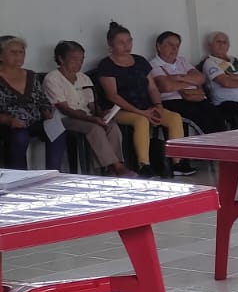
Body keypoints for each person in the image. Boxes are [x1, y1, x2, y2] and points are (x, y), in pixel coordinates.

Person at [97, 22, 192, 176]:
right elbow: (112, 95)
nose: (126, 46)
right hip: (120, 110)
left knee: (174, 118)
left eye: (129, 41)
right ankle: (144, 165)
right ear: (111, 45)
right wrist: (141, 112)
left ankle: (178, 162)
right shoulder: (106, 65)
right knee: (141, 121)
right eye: (121, 42)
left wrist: (158, 105)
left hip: (147, 107)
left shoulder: (140, 61)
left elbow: (152, 88)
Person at [44, 40, 132, 177]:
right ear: (61, 59)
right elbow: (65, 109)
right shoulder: (52, 78)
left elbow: (91, 105)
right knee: (95, 128)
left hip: (85, 116)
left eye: (81, 60)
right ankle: (116, 167)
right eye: (74, 59)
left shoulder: (84, 78)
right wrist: (92, 119)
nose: (79, 63)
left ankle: (113, 167)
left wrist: (103, 114)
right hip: (63, 119)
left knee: (111, 126)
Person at [0, 36, 66, 171]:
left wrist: (47, 110)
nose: (18, 56)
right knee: (20, 137)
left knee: (57, 131)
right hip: (9, 124)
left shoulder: (31, 75)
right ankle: (19, 177)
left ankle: (53, 173)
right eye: (13, 52)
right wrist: (8, 120)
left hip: (34, 120)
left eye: (21, 52)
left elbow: (42, 99)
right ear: (0, 56)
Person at [149, 31, 228, 133]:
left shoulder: (182, 61)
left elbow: (201, 78)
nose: (175, 49)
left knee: (217, 118)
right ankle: (210, 142)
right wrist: (191, 81)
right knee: (201, 120)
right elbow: (166, 86)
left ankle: (223, 142)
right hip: (173, 101)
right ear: (159, 46)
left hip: (196, 97)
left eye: (177, 46)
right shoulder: (153, 64)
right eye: (170, 45)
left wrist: (178, 78)